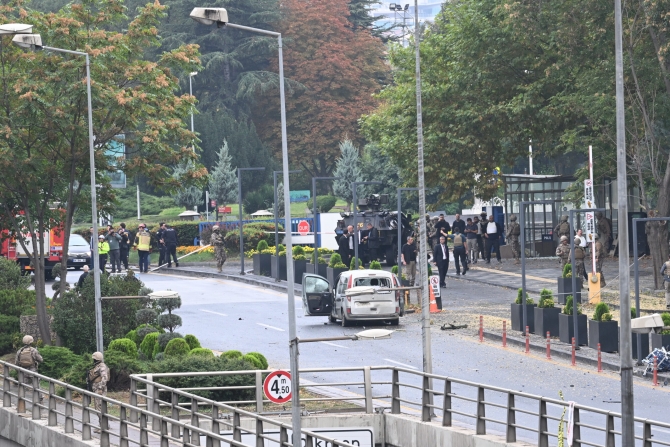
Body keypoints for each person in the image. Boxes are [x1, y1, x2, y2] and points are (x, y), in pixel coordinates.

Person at [15, 335, 43, 400]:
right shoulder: (33, 350)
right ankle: (39, 397)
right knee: (36, 385)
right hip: (32, 370)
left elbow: (16, 362)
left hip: (23, 371)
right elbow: (41, 360)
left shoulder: (20, 351)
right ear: (31, 342)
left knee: (22, 385)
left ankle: (20, 399)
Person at [88, 351, 109, 432]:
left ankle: (103, 427)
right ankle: (103, 425)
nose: (93, 360)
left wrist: (100, 388)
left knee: (100, 408)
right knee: (98, 408)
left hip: (100, 390)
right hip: (96, 389)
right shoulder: (98, 366)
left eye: (94, 359)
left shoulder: (102, 367)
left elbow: (105, 378)